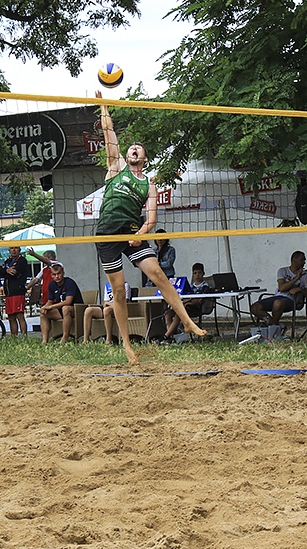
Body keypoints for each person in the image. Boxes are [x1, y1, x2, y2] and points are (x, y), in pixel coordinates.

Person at [93, 89, 206, 364]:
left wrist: (140, 234)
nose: (133, 149)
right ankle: (128, 346)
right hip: (107, 234)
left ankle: (187, 322)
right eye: (131, 147)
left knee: (158, 274)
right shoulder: (115, 167)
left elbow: (152, 219)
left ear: (144, 159)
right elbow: (110, 137)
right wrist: (104, 108)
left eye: (138, 149)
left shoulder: (149, 184)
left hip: (133, 232)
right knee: (119, 291)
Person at [251, 250, 307, 326]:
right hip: (278, 296)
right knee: (255, 307)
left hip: (293, 300)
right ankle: (273, 323)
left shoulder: (305, 276)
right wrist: (296, 278)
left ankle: (273, 326)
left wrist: (300, 289)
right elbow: (282, 288)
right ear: (294, 260)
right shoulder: (283, 271)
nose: (304, 262)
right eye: (302, 260)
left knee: (278, 303)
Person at [164, 262, 211, 340]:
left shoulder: (205, 286)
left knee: (179, 313)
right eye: (195, 273)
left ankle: (166, 336)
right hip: (185, 306)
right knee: (168, 314)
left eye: (199, 273)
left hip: (195, 308)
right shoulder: (190, 286)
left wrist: (188, 301)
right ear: (192, 274)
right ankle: (171, 336)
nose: (197, 275)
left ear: (203, 273)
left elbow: (198, 300)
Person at [39, 262, 83, 344]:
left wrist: (51, 307)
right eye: (54, 274)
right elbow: (50, 301)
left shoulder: (69, 282)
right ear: (51, 275)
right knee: (43, 313)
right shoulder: (52, 284)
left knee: (65, 308)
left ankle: (65, 337)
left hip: (76, 309)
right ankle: (44, 341)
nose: (57, 277)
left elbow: (68, 302)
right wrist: (45, 307)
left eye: (58, 274)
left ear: (63, 273)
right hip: (60, 310)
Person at [1, 246, 29, 336]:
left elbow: (13, 273)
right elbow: (0, 272)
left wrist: (6, 272)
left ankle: (24, 337)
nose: (13, 250)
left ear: (20, 250)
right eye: (11, 248)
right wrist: (6, 270)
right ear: (9, 250)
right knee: (11, 316)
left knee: (19, 315)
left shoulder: (22, 260)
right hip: (8, 293)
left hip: (18, 291)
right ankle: (14, 338)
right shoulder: (7, 261)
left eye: (16, 248)